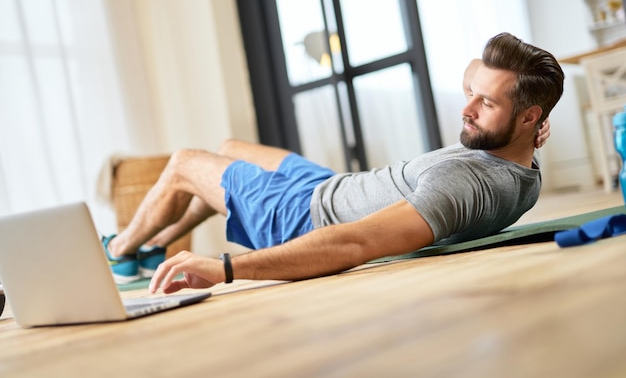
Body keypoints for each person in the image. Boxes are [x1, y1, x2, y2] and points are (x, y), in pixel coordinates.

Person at [102, 32, 563, 293]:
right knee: (230, 147)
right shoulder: (523, 163)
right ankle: (155, 242)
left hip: (303, 216)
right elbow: (474, 75)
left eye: (485, 103)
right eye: (471, 95)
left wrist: (225, 268)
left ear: (527, 115)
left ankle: (120, 251)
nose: (466, 108)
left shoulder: (462, 182)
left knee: (184, 162)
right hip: (332, 186)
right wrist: (526, 130)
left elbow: (354, 244)